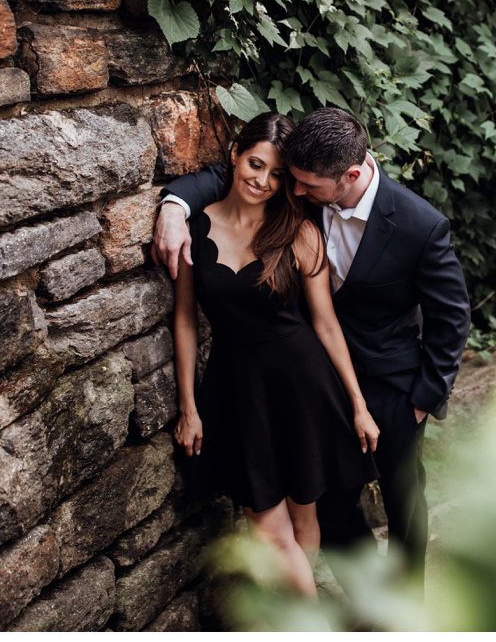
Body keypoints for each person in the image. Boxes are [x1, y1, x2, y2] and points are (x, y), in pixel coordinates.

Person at [155, 106, 470, 593]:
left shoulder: (419, 224)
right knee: (332, 502)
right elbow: (233, 172)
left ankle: (406, 610)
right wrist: (175, 205)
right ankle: (365, 603)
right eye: (292, 180)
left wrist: (423, 399)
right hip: (311, 380)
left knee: (402, 499)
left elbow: (451, 318)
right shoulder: (303, 182)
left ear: (349, 176)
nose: (294, 192)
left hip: (392, 386)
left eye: (305, 185)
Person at [170, 112, 380, 598]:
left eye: (278, 174)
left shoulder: (299, 232)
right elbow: (184, 320)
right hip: (237, 390)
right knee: (269, 529)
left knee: (303, 518)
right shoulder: (193, 230)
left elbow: (325, 324)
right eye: (255, 164)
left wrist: (358, 404)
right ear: (235, 156)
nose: (263, 181)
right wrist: (188, 407)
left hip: (303, 387)